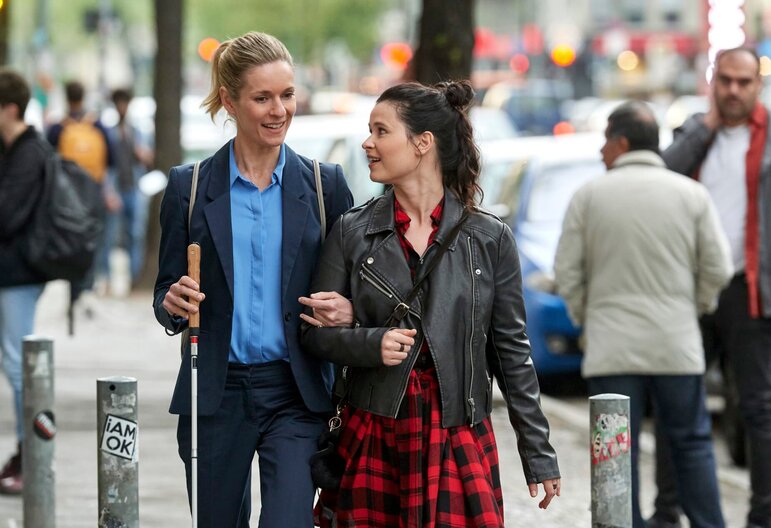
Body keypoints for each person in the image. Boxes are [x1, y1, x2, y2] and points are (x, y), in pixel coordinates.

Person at [300, 80, 561, 528]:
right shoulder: (351, 232)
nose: (368, 143)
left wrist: (537, 452)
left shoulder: (489, 238)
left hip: (458, 433)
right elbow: (313, 333)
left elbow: (511, 352)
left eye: (381, 131)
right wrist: (371, 343)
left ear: (422, 143)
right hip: (375, 430)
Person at [152, 32, 354, 527]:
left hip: (296, 391)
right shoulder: (188, 188)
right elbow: (164, 293)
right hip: (214, 393)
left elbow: (352, 289)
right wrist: (172, 303)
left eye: (287, 95)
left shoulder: (325, 185)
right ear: (229, 101)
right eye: (262, 98)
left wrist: (347, 310)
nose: (279, 110)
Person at [554, 101, 732, 528]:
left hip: (611, 348)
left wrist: (586, 318)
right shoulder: (691, 195)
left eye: (605, 141)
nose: (601, 151)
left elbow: (567, 272)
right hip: (676, 344)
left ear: (621, 143)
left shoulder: (589, 197)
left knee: (614, 450)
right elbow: (718, 268)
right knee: (691, 445)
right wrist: (693, 307)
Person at [651, 46, 771, 528]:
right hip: (691, 290)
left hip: (755, 290)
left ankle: (762, 519)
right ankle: (667, 512)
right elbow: (660, 174)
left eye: (744, 82)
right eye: (726, 80)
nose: (734, 90)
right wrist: (708, 126)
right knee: (678, 400)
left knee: (758, 406)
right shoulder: (694, 131)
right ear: (713, 81)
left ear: (759, 85)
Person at [0, 69, 50, 495]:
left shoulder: (29, 153)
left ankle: (31, 454)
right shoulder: (12, 149)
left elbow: (8, 215)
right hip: (11, 273)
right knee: (16, 362)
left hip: (19, 275)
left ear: (10, 109)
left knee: (20, 366)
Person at [47, 80, 116, 306]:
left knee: (70, 239)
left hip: (66, 194)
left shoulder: (58, 128)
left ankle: (74, 286)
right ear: (83, 97)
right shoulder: (97, 125)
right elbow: (111, 159)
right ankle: (89, 283)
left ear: (67, 98)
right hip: (93, 191)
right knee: (95, 238)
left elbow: (47, 160)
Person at [108, 87, 153, 284]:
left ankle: (135, 278)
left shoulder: (137, 132)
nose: (122, 107)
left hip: (134, 187)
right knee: (111, 235)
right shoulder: (110, 133)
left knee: (135, 234)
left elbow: (148, 158)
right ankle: (108, 278)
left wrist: (141, 152)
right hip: (117, 188)